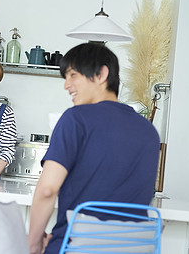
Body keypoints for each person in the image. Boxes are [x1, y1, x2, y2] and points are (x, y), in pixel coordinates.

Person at [28, 43, 160, 254]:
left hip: (77, 247)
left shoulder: (75, 119)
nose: (66, 85)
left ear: (101, 74)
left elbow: (47, 190)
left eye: (72, 75)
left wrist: (33, 245)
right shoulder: (149, 131)